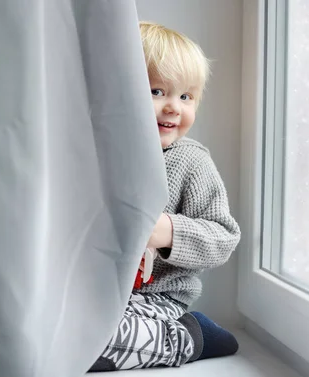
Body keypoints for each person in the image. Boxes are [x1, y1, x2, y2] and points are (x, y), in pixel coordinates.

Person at [89, 21, 241, 372]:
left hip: (155, 298)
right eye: (157, 92)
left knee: (89, 343)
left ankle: (191, 336)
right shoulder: (94, 155)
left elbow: (223, 236)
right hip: (90, 292)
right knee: (45, 328)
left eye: (186, 96)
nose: (174, 107)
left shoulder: (191, 161)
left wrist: (165, 231)